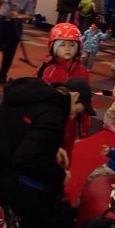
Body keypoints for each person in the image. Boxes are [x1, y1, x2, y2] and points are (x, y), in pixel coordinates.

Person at [0, 77, 96, 228]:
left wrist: (51, 147)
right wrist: (60, 175)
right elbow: (27, 160)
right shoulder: (54, 113)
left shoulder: (30, 96)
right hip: (18, 188)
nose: (75, 116)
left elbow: (19, 131)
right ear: (74, 96)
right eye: (78, 110)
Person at [38, 23, 90, 161]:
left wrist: (84, 124)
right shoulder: (48, 70)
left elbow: (86, 99)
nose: (68, 48)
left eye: (72, 45)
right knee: (46, 152)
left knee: (66, 153)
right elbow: (38, 95)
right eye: (62, 44)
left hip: (71, 121)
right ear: (53, 46)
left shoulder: (82, 71)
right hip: (50, 120)